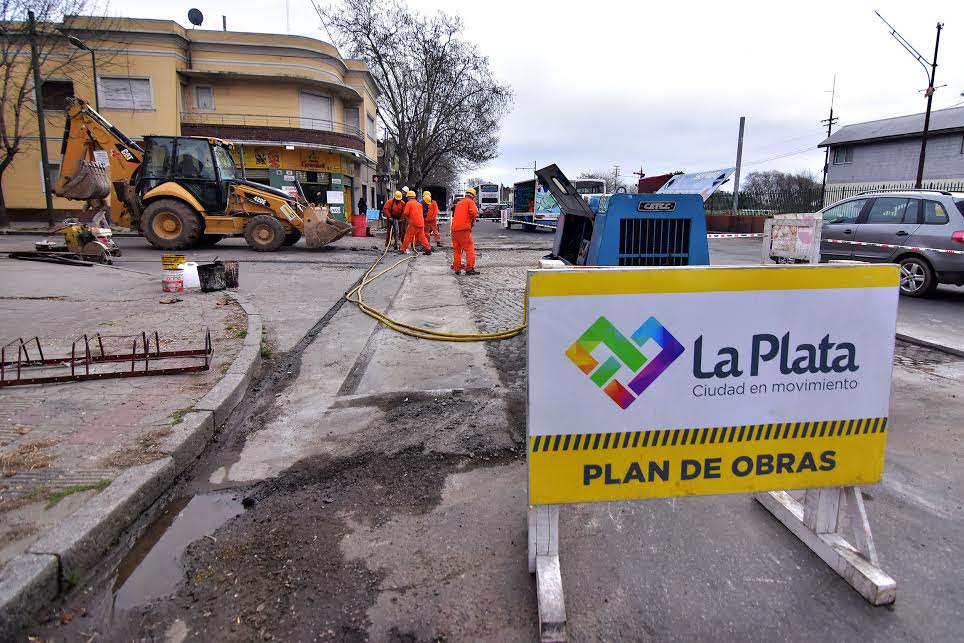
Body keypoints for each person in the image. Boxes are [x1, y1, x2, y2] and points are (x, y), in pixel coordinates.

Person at [452, 187, 478, 275]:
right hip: (463, 229)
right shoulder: (470, 202)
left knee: (457, 250)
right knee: (469, 248)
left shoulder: (459, 203)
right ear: (473, 196)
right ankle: (469, 269)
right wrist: (472, 220)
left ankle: (457, 269)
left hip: (454, 230)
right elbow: (474, 212)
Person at [399, 190, 432, 255]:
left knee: (408, 237)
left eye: (407, 197)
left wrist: (406, 217)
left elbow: (406, 213)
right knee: (422, 237)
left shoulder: (409, 203)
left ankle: (402, 249)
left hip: (413, 223)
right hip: (421, 223)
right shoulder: (419, 204)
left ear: (409, 197)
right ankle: (428, 249)